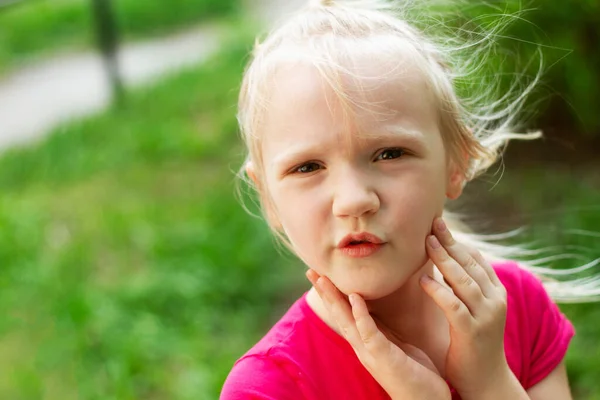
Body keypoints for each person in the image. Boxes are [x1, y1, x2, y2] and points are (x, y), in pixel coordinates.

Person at [220, 0, 597, 398]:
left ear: (455, 165)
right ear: (268, 196)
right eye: (308, 167)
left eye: (390, 154)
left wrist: (490, 382)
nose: (353, 201)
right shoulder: (267, 388)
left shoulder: (517, 309)